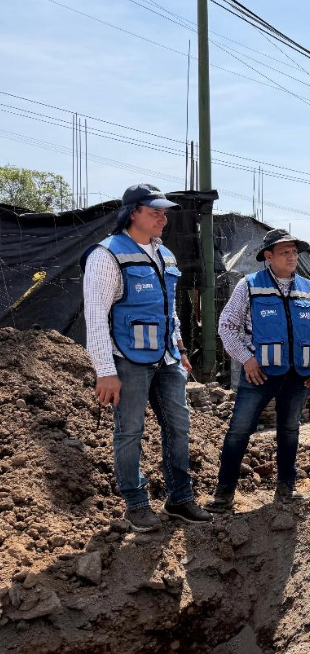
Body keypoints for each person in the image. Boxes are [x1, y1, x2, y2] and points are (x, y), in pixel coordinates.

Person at [81, 183, 212, 532]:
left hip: (167, 358)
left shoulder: (165, 255)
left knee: (179, 427)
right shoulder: (106, 255)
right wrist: (105, 371)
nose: (162, 218)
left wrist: (181, 349)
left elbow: (169, 311)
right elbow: (94, 317)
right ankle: (136, 503)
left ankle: (180, 499)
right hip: (127, 359)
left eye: (164, 212)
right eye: (154, 211)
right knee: (129, 431)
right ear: (132, 213)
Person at [205, 229, 310, 512]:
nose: (292, 256)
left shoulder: (309, 290)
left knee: (289, 430)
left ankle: (286, 489)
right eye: (284, 252)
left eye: (294, 251)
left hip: (299, 375)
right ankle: (224, 494)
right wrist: (246, 359)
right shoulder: (249, 286)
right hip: (258, 374)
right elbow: (226, 326)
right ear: (268, 257)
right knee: (239, 430)